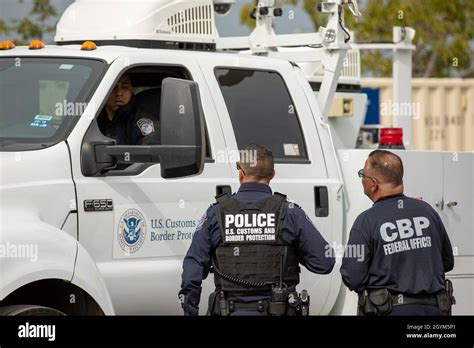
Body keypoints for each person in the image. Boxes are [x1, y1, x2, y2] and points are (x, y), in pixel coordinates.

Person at [179, 144, 335, 316]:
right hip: (279, 309)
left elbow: (192, 271)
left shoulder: (216, 213)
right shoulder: (290, 212)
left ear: (241, 173)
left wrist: (190, 310)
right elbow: (324, 263)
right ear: (273, 174)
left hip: (229, 310)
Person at [340, 150, 455, 316]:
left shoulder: (366, 221)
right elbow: (447, 262)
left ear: (373, 183)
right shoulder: (428, 212)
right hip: (434, 310)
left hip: (389, 310)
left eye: (362, 174)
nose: (361, 179)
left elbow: (353, 276)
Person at [97, 73, 159, 145]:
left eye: (125, 87)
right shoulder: (92, 119)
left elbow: (148, 152)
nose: (119, 93)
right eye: (113, 88)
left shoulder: (139, 122)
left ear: (131, 92)